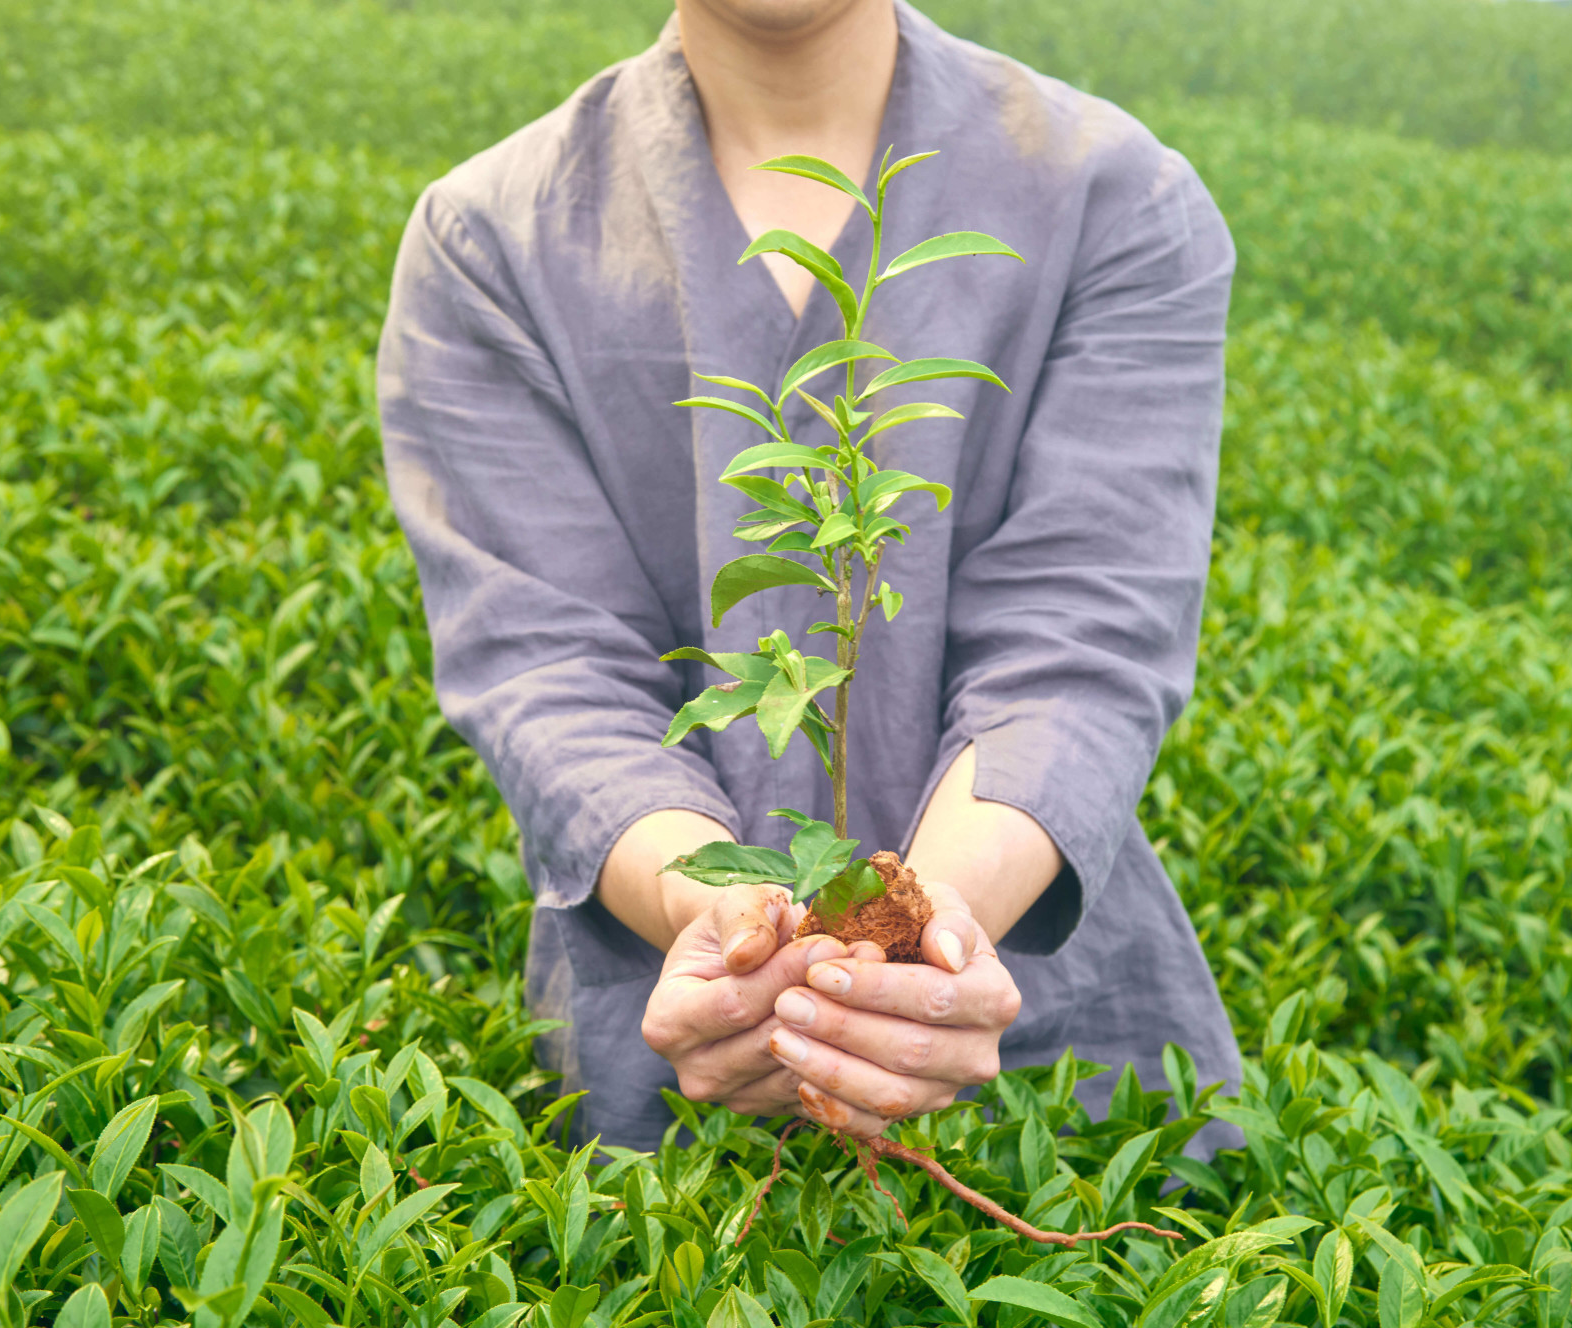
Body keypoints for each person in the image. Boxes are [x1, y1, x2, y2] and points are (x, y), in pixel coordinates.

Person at [378, 0, 1244, 1152]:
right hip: (687, 1050)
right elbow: (550, 674)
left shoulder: (1113, 197)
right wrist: (728, 920)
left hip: (1052, 1067)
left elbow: (1081, 640)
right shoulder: (488, 241)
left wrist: (916, 947)